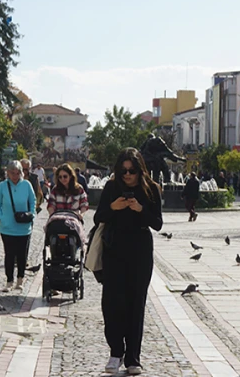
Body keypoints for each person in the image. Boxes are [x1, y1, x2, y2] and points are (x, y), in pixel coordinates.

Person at [94, 148, 162, 375]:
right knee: (113, 303)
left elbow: (158, 223)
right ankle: (116, 352)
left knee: (135, 304)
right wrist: (114, 207)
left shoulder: (151, 189)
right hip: (114, 250)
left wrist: (140, 209)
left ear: (140, 170)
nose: (127, 175)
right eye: (123, 171)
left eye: (132, 171)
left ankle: (133, 357)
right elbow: (98, 216)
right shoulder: (112, 188)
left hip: (140, 251)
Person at [0, 160, 35, 290]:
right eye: (12, 173)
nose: (15, 176)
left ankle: (20, 279)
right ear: (8, 173)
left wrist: (31, 214)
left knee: (22, 255)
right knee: (9, 254)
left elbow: (32, 201)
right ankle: (9, 280)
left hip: (24, 227)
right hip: (7, 227)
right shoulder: (2, 186)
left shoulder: (27, 185)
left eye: (17, 173)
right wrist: (0, 218)